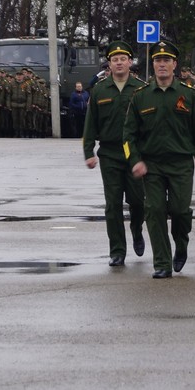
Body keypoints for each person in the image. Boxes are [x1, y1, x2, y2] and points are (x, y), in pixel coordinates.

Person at [124, 41, 195, 279]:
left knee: (179, 211)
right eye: (158, 60)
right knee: (154, 211)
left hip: (180, 166)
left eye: (167, 60)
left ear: (175, 65)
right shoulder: (140, 97)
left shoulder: (188, 95)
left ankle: (182, 243)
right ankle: (162, 263)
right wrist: (134, 160)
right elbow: (128, 136)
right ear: (153, 65)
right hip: (152, 166)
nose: (162, 64)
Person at [83, 41, 148, 268]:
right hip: (110, 154)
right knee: (113, 204)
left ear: (130, 62)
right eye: (114, 59)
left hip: (135, 155)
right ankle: (117, 250)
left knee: (138, 202)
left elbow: (148, 123)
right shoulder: (100, 89)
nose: (119, 63)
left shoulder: (141, 88)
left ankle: (137, 230)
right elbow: (91, 123)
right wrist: (88, 151)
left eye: (123, 59)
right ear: (109, 64)